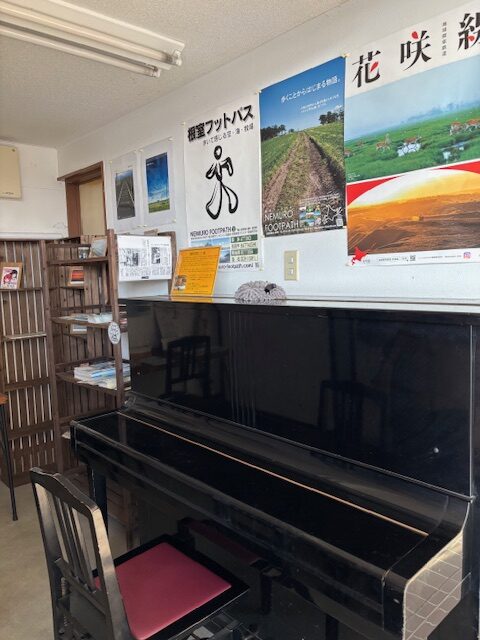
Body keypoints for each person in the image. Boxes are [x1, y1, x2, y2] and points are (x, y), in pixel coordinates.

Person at [205, 145, 238, 220]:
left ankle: (229, 206)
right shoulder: (215, 164)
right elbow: (208, 174)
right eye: (217, 153)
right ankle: (214, 209)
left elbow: (225, 163)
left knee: (226, 194)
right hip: (218, 182)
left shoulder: (219, 163)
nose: (218, 154)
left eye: (219, 153)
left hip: (220, 181)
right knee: (218, 196)